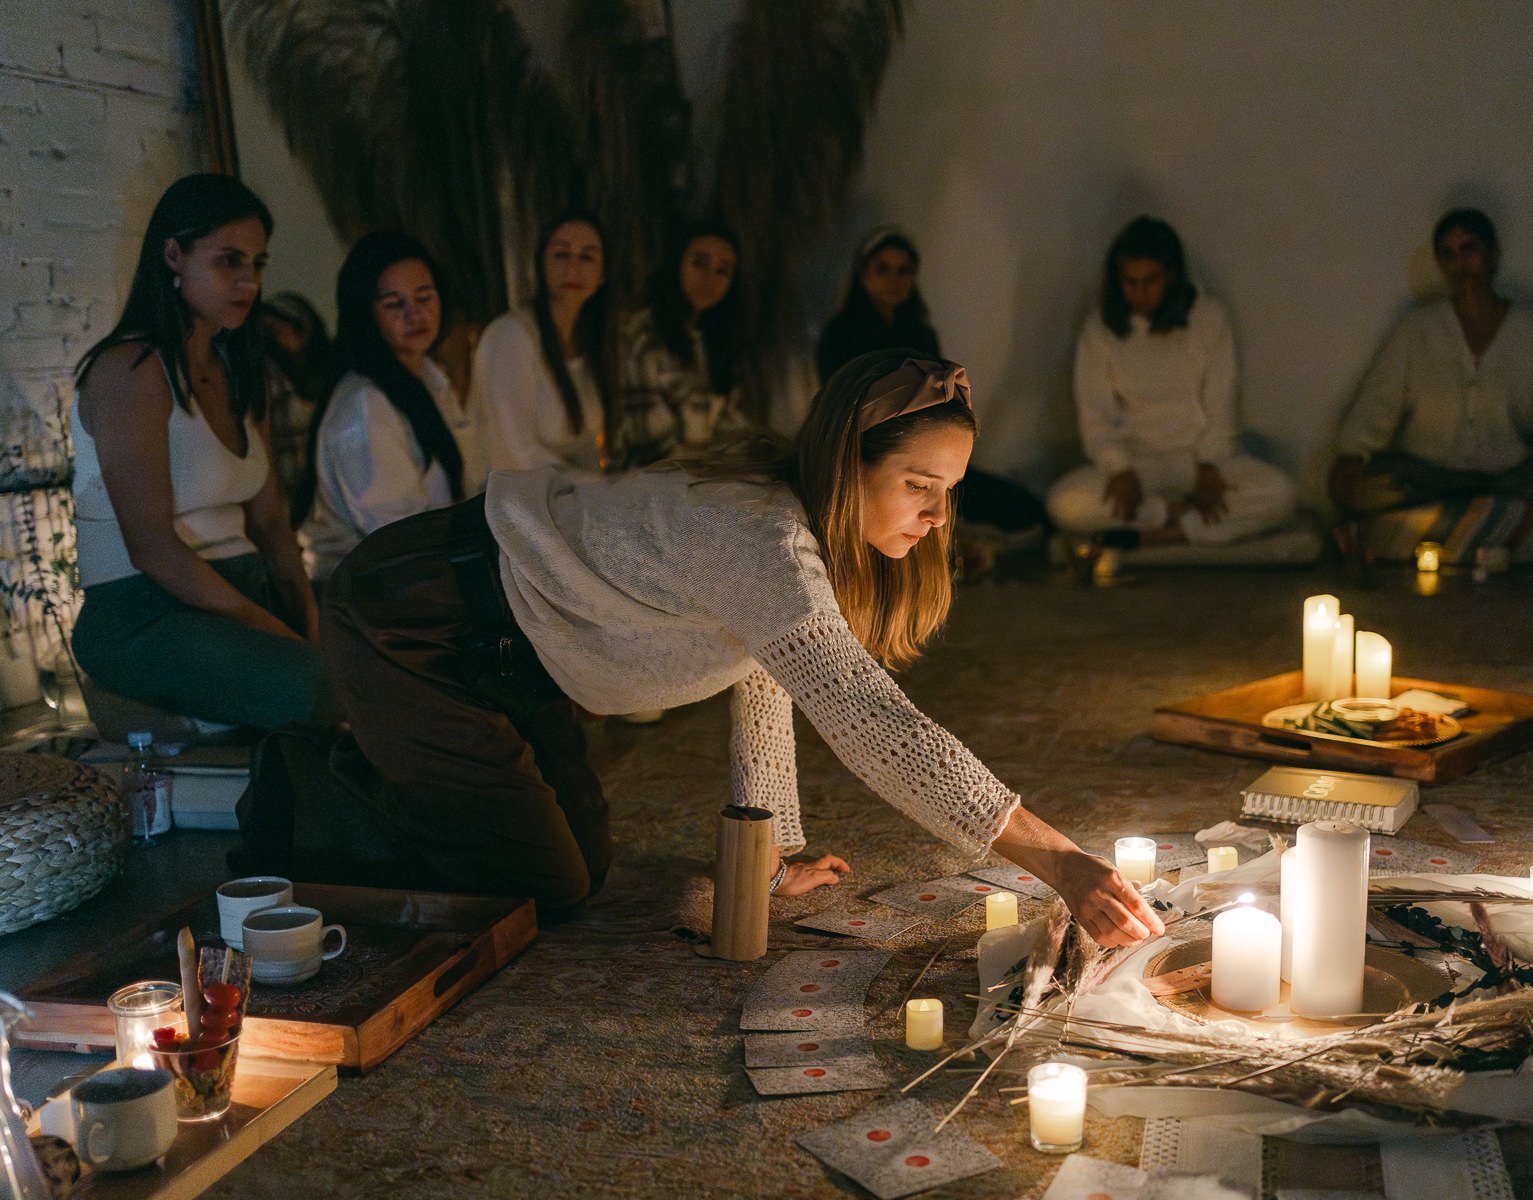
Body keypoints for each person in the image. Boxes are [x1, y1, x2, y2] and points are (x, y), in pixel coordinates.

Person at [279, 349, 1164, 946]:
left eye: (950, 491)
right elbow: (874, 725)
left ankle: (423, 765)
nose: (938, 517)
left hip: (517, 658)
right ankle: (317, 779)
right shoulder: (762, 540)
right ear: (843, 463)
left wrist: (766, 857)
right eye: (918, 486)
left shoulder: (790, 537)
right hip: (415, 620)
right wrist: (1060, 861)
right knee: (542, 884)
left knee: (584, 863)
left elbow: (763, 677)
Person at [68, 173, 331, 729]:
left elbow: (274, 529)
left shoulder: (239, 367)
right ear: (172, 254)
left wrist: (310, 622)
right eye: (227, 260)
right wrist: (286, 640)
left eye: (257, 264)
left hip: (245, 596)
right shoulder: (129, 371)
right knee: (327, 687)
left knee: (389, 663)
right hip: (147, 615)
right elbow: (153, 550)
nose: (247, 281)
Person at [1330, 208, 1533, 519]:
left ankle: (1468, 516)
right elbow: (1379, 401)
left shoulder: (1529, 329)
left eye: (1469, 249)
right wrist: (1352, 456)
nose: (1460, 264)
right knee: (1370, 487)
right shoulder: (1418, 328)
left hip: (1511, 477)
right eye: (1449, 255)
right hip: (1430, 475)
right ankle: (1480, 517)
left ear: (1493, 252)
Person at [1048, 216, 1298, 546]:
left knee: (1281, 494)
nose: (1139, 293)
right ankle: (1170, 517)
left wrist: (1209, 464)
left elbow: (1222, 403)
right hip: (1137, 467)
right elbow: (1096, 418)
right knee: (1064, 504)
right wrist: (1120, 469)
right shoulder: (1100, 329)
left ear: (1170, 275)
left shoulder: (1208, 317)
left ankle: (1168, 534)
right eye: (1129, 282)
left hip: (1200, 462)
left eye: (1149, 281)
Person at [818, 228, 1047, 537]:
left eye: (903, 271)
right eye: (882, 269)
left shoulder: (919, 332)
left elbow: (938, 397)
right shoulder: (840, 334)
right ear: (862, 273)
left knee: (1007, 501)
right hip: (871, 447)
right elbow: (840, 402)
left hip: (925, 445)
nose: (893, 280)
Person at [298, 232, 489, 583]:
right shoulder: (365, 404)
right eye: (392, 303)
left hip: (430, 572)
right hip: (375, 592)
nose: (414, 314)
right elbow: (398, 536)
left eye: (424, 297)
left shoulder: (428, 377)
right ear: (366, 314)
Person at [470, 210, 611, 475]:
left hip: (572, 499)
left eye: (587, 257)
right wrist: (592, 491)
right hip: (515, 502)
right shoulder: (511, 336)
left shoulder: (590, 341)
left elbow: (586, 445)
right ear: (541, 264)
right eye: (561, 254)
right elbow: (514, 452)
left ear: (603, 274)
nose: (573, 268)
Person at [615, 220, 750, 467]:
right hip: (656, 483)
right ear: (677, 263)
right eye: (700, 263)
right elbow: (651, 442)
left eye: (723, 270)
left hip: (711, 479)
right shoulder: (643, 336)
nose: (710, 278)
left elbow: (734, 425)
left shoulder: (719, 340)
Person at [258, 291, 333, 508]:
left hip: (329, 489)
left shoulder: (331, 371)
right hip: (292, 492)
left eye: (280, 327)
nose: (276, 335)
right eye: (269, 330)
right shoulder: (269, 378)